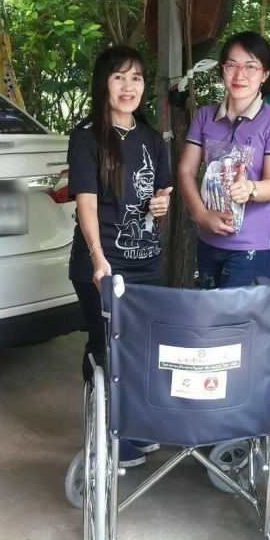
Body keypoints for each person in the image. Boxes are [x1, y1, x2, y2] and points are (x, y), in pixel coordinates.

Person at [68, 45, 172, 467]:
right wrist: (98, 259)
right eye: (119, 77)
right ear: (103, 84)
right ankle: (107, 430)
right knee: (107, 349)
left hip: (145, 261)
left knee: (142, 349)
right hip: (102, 262)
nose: (128, 87)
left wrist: (161, 206)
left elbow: (159, 198)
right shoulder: (87, 137)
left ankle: (132, 423)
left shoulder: (151, 138)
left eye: (136, 78)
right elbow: (86, 203)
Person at [178, 31, 270, 288]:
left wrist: (250, 188)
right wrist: (201, 215)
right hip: (208, 239)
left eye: (250, 67)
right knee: (210, 310)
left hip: (252, 245)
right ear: (223, 69)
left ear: (264, 74)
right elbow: (186, 171)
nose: (240, 75)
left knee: (239, 314)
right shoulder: (205, 116)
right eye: (232, 65)